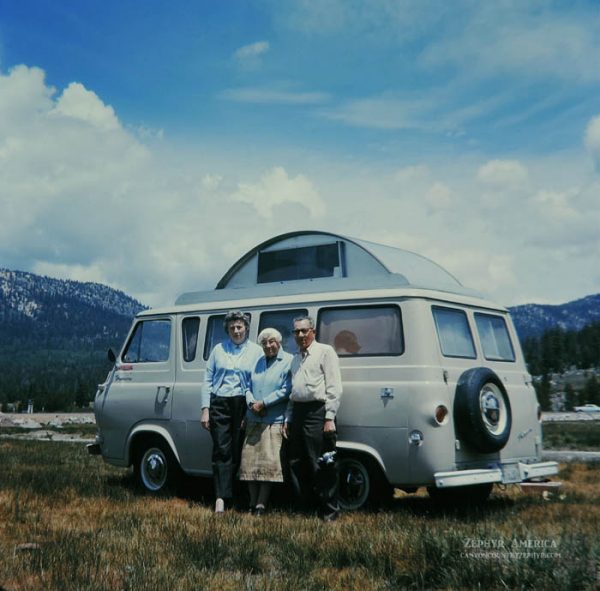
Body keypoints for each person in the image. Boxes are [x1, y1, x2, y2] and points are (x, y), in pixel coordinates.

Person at [201, 310, 262, 513]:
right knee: (222, 450)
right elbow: (207, 381)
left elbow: (260, 379)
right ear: (227, 329)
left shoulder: (256, 351)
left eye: (240, 327)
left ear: (246, 328)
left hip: (243, 404)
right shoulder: (218, 350)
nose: (236, 331)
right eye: (232, 327)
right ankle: (220, 499)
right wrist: (205, 409)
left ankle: (239, 497)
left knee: (239, 450)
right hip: (220, 402)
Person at [283, 316, 343, 522]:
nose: (300, 335)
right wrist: (288, 419)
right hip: (298, 413)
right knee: (296, 462)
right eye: (296, 332)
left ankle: (330, 512)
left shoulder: (325, 352)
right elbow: (293, 392)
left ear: (313, 332)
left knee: (322, 462)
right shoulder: (294, 359)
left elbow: (334, 387)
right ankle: (305, 508)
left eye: (304, 331)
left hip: (318, 412)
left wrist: (329, 418)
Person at [238, 328, 292, 516]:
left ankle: (261, 504)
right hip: (253, 418)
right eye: (264, 343)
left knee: (268, 466)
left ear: (279, 342)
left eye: (271, 342)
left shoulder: (288, 361)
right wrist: (252, 403)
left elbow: (287, 390)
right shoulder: (258, 362)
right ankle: (252, 503)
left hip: (273, 420)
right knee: (250, 464)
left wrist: (264, 403)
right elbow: (247, 387)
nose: (268, 346)